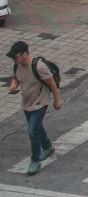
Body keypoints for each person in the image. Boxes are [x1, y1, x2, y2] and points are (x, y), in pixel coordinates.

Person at [7, 41, 60, 176]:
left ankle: (35, 160)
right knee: (36, 127)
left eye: (16, 57)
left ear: (25, 54)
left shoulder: (39, 66)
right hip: (27, 103)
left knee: (32, 131)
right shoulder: (17, 65)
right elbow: (16, 78)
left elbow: (52, 83)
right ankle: (47, 147)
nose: (14, 60)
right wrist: (13, 86)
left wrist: (56, 100)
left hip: (40, 102)